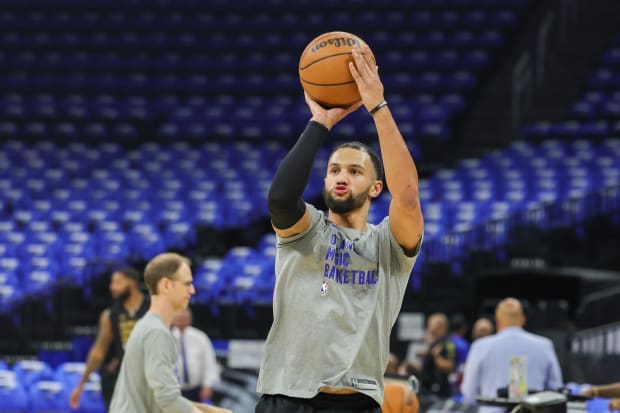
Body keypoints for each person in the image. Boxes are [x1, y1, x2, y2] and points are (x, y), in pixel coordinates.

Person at [256, 44, 424, 413]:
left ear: (376, 188)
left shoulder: (387, 245)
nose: (341, 177)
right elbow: (282, 199)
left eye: (354, 170)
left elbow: (408, 196)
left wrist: (377, 106)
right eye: (334, 170)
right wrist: (320, 122)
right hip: (288, 397)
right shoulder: (308, 230)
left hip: (355, 402)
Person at [109, 252, 230, 413]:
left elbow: (159, 399)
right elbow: (168, 400)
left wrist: (209, 410)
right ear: (166, 285)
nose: (192, 291)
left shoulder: (147, 325)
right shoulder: (157, 333)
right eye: (187, 284)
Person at [461, 298, 563, 413]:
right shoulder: (544, 345)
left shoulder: (480, 347)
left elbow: (469, 393)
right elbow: (555, 390)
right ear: (522, 319)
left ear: (498, 321)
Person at [70, 267, 150, 411]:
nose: (112, 287)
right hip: (121, 379)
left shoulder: (152, 308)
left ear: (132, 283)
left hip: (149, 377)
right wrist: (81, 384)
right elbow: (98, 351)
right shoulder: (110, 315)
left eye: (117, 282)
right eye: (112, 283)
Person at [171, 308, 220, 402]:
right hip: (172, 391)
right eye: (179, 316)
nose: (182, 318)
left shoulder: (200, 337)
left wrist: (208, 385)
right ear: (172, 317)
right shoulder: (166, 336)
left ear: (190, 319)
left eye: (185, 316)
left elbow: (210, 364)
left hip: (196, 391)